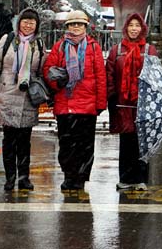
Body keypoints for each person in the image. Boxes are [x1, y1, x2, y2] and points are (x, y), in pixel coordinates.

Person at [0, 7, 44, 191]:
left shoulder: (38, 44)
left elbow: (42, 70)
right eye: (25, 21)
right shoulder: (7, 40)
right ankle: (10, 178)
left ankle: (24, 178)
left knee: (24, 142)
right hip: (7, 95)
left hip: (27, 97)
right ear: (19, 22)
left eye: (32, 22)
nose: (28, 25)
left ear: (37, 25)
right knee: (9, 140)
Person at [43, 10, 107, 192]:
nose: (76, 27)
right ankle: (69, 175)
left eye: (79, 24)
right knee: (66, 144)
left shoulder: (93, 47)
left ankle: (81, 177)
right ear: (67, 27)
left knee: (85, 145)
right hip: (65, 104)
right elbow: (48, 69)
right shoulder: (59, 47)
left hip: (87, 105)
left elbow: (100, 77)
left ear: (85, 27)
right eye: (73, 24)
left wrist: (100, 103)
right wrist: (56, 81)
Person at [106, 12, 158, 191]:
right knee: (126, 141)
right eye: (131, 25)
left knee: (142, 142)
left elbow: (156, 76)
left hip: (144, 104)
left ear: (142, 29)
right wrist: (112, 96)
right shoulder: (117, 50)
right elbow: (110, 75)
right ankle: (126, 178)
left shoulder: (150, 50)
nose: (134, 29)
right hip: (123, 104)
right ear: (126, 28)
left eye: (137, 25)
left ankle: (141, 178)